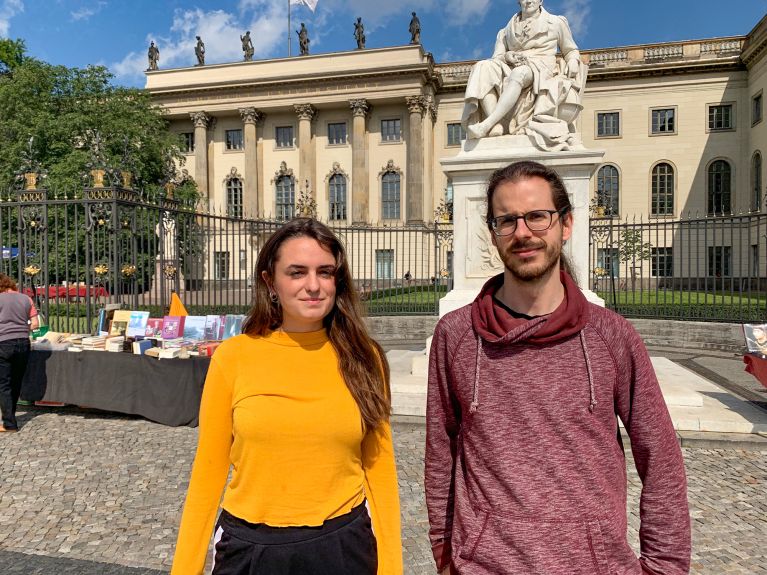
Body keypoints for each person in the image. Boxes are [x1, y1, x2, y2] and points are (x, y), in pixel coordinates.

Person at [425, 161, 691, 575]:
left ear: (565, 224)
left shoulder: (612, 336)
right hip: (484, 565)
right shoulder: (456, 336)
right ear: (492, 233)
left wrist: (665, 567)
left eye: (537, 216)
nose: (523, 232)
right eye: (507, 220)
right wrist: (445, 554)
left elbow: (659, 456)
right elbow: (441, 451)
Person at [171, 218, 402, 575]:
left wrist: (391, 569)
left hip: (343, 546)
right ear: (270, 282)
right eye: (297, 272)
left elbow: (380, 470)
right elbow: (208, 472)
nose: (314, 286)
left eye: (325, 272)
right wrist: (184, 568)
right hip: (251, 548)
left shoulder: (364, 357)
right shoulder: (234, 357)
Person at [462, 0, 586, 150]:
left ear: (540, 0)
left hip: (541, 67)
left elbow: (570, 50)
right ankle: (497, 125)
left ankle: (487, 124)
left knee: (519, 73)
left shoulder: (556, 22)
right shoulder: (506, 31)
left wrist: (573, 61)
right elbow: (497, 57)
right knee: (482, 66)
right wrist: (508, 56)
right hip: (512, 65)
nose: (528, 1)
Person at [0, 273, 39, 433]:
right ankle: (10, 417)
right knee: (15, 382)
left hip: (3, 343)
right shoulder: (25, 299)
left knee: (3, 384)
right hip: (23, 343)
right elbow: (35, 324)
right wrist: (22, 327)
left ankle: (9, 423)